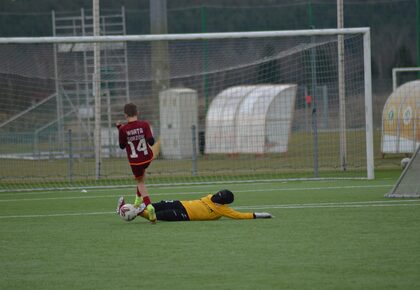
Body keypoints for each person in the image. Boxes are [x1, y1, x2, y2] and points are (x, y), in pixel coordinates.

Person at [117, 189, 273, 222]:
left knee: (158, 215)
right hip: (182, 203)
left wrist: (259, 214)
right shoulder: (211, 197)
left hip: (186, 215)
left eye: (220, 196)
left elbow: (240, 216)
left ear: (224, 202)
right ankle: (130, 210)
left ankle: (129, 211)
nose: (216, 196)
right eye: (218, 193)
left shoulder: (224, 210)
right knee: (157, 205)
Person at [115, 102, 156, 223]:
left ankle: (149, 206)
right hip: (147, 158)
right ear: (137, 112)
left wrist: (119, 129)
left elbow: (122, 146)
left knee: (140, 183)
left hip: (135, 162)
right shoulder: (144, 124)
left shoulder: (123, 129)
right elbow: (151, 142)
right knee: (142, 177)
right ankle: (137, 202)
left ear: (125, 115)